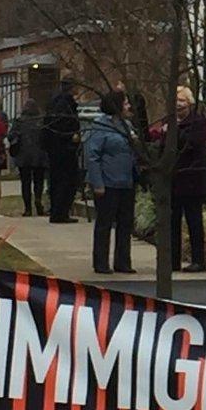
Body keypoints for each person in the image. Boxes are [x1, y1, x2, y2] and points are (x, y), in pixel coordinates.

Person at [149, 85, 206, 272]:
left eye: (181, 101)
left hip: (191, 179)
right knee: (172, 222)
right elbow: (162, 148)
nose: (178, 105)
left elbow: (193, 144)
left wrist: (172, 131)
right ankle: (172, 261)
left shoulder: (198, 122)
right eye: (175, 101)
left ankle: (198, 260)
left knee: (194, 221)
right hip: (172, 180)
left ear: (190, 103)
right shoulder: (168, 121)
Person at [85, 89, 138, 275]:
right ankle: (100, 262)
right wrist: (97, 183)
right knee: (104, 223)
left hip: (126, 181)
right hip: (107, 182)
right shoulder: (101, 127)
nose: (129, 106)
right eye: (125, 103)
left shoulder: (128, 125)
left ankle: (123, 261)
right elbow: (92, 156)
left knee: (125, 223)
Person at [43, 78, 81, 223]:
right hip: (65, 149)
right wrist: (73, 137)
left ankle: (56, 210)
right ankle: (61, 212)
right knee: (67, 181)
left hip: (54, 149)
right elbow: (66, 126)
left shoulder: (54, 102)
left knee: (55, 180)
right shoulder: (66, 105)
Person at [7, 99, 48, 216]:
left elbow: (11, 136)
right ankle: (38, 201)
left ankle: (28, 208)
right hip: (39, 155)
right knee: (38, 181)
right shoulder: (41, 121)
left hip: (23, 156)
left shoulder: (19, 121)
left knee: (25, 182)